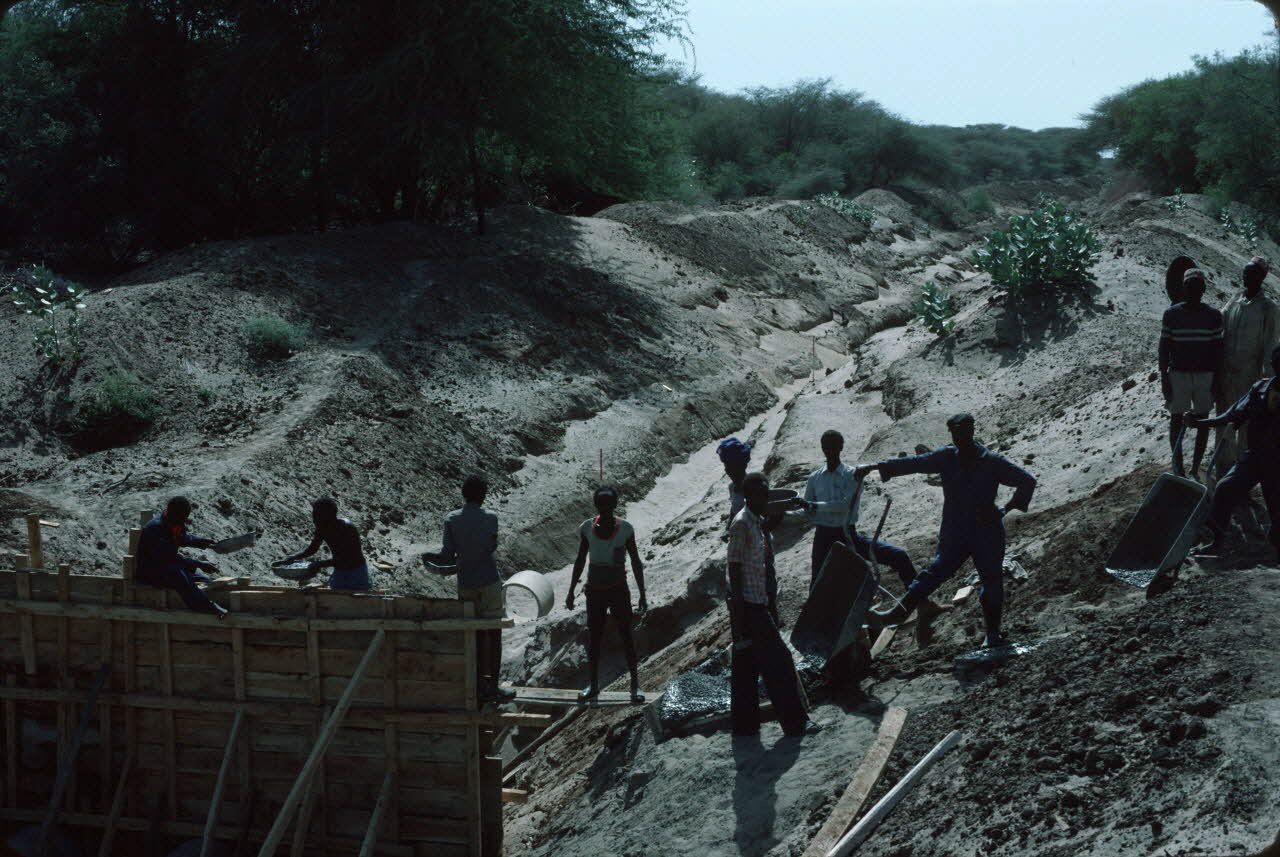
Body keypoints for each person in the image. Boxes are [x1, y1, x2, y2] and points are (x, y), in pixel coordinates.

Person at [857, 414, 1036, 648]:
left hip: (986, 531)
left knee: (991, 581)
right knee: (934, 573)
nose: (958, 438)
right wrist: (877, 466)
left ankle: (992, 634)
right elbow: (916, 463)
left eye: (962, 432)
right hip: (956, 530)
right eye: (954, 433)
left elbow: (1027, 481)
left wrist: (1006, 508)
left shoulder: (991, 461)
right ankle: (898, 613)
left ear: (971, 431)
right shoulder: (946, 457)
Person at [802, 429, 948, 621]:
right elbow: (806, 511)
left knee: (899, 557)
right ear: (822, 448)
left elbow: (844, 506)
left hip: (847, 535)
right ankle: (817, 627)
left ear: (841, 447)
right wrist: (790, 510)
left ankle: (923, 605)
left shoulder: (853, 474)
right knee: (817, 585)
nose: (829, 450)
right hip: (823, 538)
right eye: (826, 446)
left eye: (833, 446)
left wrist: (812, 506)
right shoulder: (815, 478)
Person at [727, 472, 820, 738]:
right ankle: (795, 723)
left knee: (746, 665)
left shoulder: (755, 521)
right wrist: (740, 611)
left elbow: (769, 527)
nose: (766, 499)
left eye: (767, 495)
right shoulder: (741, 523)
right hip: (749, 604)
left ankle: (744, 727)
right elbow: (733, 567)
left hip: (755, 601)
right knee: (779, 661)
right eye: (761, 495)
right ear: (748, 497)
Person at [423, 475, 515, 703]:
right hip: (489, 581)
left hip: (466, 584)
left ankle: (476, 686)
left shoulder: (451, 519)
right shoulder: (491, 518)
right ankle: (493, 687)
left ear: (463, 494)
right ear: (483, 495)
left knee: (473, 635)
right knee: (494, 633)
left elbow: (447, 554)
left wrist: (431, 558)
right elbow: (491, 547)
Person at [1190, 344, 1280, 557]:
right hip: (1256, 457)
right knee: (1225, 488)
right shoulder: (1261, 388)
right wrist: (1200, 423)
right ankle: (1218, 540)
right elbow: (1232, 416)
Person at [564, 487, 648, 703]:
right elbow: (580, 560)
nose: (606, 509)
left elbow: (636, 562)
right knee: (595, 638)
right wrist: (571, 591)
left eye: (609, 505)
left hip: (618, 589)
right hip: (595, 591)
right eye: (602, 505)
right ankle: (593, 686)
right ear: (596, 506)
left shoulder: (625, 529)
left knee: (626, 635)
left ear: (615, 505)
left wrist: (642, 593)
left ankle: (635, 685)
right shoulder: (587, 528)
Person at [1160, 268, 1224, 479]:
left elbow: (1218, 351)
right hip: (1178, 375)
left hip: (1205, 376)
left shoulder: (1214, 316)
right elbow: (1164, 348)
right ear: (1184, 288)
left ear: (1203, 289)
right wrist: (1164, 378)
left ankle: (1195, 468)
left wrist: (1216, 380)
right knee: (1176, 420)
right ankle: (1178, 468)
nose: (1194, 290)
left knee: (1203, 421)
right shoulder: (1171, 314)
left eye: (1197, 286)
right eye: (1190, 286)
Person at [1216, 257, 1277, 470]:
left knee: (1245, 424)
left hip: (1249, 376)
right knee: (1223, 421)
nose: (1245, 276)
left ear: (1261, 276)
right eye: (1244, 272)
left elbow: (1270, 345)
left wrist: (1269, 382)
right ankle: (1222, 469)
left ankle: (1242, 472)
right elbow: (1219, 326)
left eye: (1251, 273)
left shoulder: (1268, 308)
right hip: (1226, 373)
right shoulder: (1234, 301)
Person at [135, 496, 226, 616]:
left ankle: (214, 601)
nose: (184, 520)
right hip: (150, 572)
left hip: (167, 565)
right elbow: (167, 557)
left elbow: (183, 538)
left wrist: (202, 542)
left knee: (203, 580)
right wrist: (198, 563)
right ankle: (206, 607)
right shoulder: (155, 528)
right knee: (179, 575)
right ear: (174, 514)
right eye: (183, 517)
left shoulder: (174, 523)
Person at [278, 497, 371, 590]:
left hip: (356, 572)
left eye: (316, 515)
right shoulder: (322, 528)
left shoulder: (347, 529)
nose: (313, 519)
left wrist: (318, 564)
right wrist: (293, 557)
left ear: (326, 517)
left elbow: (346, 559)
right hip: (340, 572)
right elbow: (312, 549)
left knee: (356, 597)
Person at [717, 437, 752, 531]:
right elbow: (734, 509)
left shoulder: (753, 487)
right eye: (726, 466)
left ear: (741, 466)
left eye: (730, 467)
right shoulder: (733, 487)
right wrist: (729, 526)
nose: (726, 470)